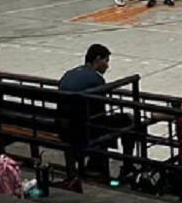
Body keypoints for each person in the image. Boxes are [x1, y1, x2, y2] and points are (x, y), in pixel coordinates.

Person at [58, 44, 136, 180]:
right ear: (97, 59)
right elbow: (100, 113)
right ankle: (127, 167)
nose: (107, 66)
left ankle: (94, 163)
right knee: (129, 121)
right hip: (82, 130)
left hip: (63, 127)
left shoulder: (69, 74)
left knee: (100, 124)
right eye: (106, 61)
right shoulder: (96, 80)